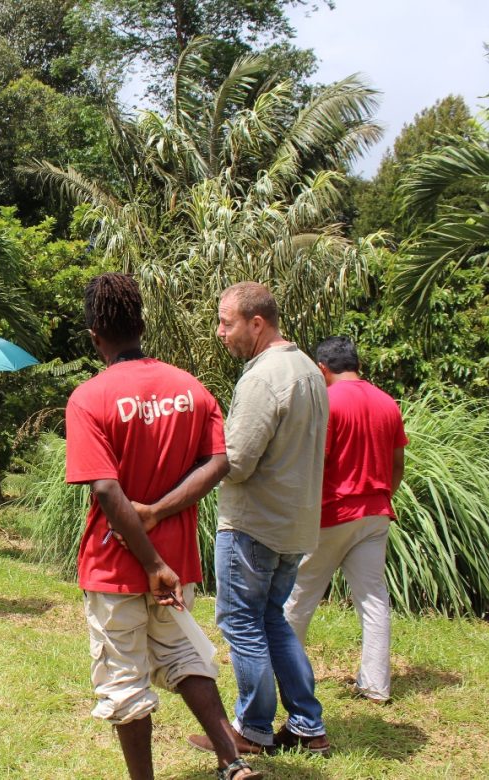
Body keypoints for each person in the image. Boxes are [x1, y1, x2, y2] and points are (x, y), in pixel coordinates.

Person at [65, 273, 261, 780]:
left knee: (124, 681)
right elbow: (219, 462)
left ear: (95, 336)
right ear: (142, 325)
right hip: (177, 560)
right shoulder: (190, 389)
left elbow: (105, 488)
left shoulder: (89, 398)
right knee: (182, 654)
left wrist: (149, 560)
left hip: (116, 564)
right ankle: (232, 761)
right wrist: (160, 516)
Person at [192, 281, 330, 756]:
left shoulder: (263, 377)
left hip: (254, 523)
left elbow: (237, 461)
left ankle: (251, 729)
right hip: (293, 522)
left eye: (226, 323)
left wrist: (200, 454)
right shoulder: (308, 367)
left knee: (241, 622)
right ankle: (308, 725)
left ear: (256, 323)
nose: (220, 332)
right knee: (272, 619)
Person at [284, 336, 407, 703]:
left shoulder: (328, 402)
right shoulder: (387, 402)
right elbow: (397, 464)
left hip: (332, 514)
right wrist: (382, 495)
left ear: (321, 369)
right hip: (375, 513)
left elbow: (316, 462)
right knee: (373, 600)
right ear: (357, 364)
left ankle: (286, 676)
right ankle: (376, 686)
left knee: (297, 598)